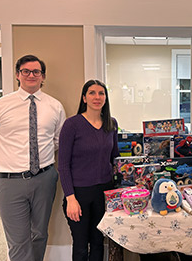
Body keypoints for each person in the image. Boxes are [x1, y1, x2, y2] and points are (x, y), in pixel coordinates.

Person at [0, 54, 66, 261]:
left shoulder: (55, 106)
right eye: (25, 71)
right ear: (18, 75)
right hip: (10, 183)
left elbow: (58, 140)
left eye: (36, 71)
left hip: (45, 178)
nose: (31, 75)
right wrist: (10, 159)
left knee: (40, 234)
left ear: (43, 76)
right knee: (18, 241)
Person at [58, 79, 120, 261]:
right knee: (81, 244)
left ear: (106, 98)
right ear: (84, 98)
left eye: (101, 93)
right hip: (79, 194)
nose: (97, 97)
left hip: (104, 192)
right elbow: (63, 165)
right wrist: (70, 198)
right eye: (92, 93)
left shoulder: (112, 124)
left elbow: (114, 158)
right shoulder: (72, 125)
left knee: (99, 241)